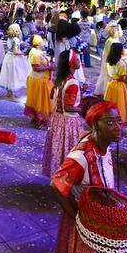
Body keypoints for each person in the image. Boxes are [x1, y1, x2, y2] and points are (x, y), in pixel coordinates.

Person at [49, 101, 121, 253]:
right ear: (95, 125)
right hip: (87, 221)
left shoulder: (102, 144)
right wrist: (77, 217)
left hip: (101, 217)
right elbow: (56, 186)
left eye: (118, 121)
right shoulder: (81, 157)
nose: (117, 127)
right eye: (110, 122)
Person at [42, 50, 84, 178]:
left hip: (57, 119)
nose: (79, 61)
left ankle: (57, 175)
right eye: (76, 59)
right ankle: (66, 178)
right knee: (68, 150)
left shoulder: (59, 79)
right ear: (70, 63)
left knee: (58, 148)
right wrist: (83, 108)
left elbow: (52, 96)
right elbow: (68, 107)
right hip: (68, 121)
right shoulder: (73, 83)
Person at [24, 35, 54, 127]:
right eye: (41, 40)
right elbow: (36, 68)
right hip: (38, 80)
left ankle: (37, 119)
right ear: (37, 43)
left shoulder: (38, 52)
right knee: (40, 101)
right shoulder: (35, 53)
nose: (43, 42)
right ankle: (39, 120)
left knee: (41, 100)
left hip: (42, 80)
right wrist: (50, 67)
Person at [104, 43, 127, 126]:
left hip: (111, 83)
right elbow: (122, 77)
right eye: (123, 48)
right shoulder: (121, 63)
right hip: (120, 85)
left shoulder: (109, 60)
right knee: (120, 103)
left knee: (112, 102)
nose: (124, 50)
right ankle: (121, 119)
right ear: (119, 50)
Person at [0, 24, 29, 100]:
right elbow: (15, 51)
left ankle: (8, 92)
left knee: (8, 74)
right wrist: (23, 53)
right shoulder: (16, 39)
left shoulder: (9, 38)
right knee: (13, 76)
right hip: (13, 58)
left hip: (8, 57)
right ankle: (12, 96)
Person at [94, 22, 121, 96]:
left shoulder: (110, 39)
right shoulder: (112, 41)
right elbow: (114, 54)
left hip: (107, 61)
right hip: (110, 62)